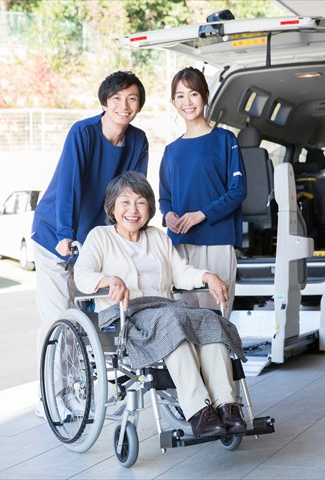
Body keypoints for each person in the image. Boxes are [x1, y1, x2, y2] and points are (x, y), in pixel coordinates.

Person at [74, 171, 247, 437]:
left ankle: (226, 404)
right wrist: (107, 280)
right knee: (174, 323)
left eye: (140, 202)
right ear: (112, 206)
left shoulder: (156, 236)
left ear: (150, 207)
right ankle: (199, 411)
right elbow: (82, 275)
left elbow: (181, 272)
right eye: (125, 202)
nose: (133, 210)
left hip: (165, 309)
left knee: (209, 319)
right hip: (125, 314)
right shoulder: (100, 237)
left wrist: (206, 276)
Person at [31, 71, 148, 413]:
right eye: (116, 100)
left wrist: (128, 235)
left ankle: (81, 389)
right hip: (56, 235)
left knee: (100, 319)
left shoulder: (138, 141)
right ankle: (50, 397)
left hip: (93, 242)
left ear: (138, 105)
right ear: (104, 103)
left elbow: (131, 192)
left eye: (131, 99)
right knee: (59, 319)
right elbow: (69, 185)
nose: (123, 106)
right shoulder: (82, 133)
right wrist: (66, 234)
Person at [159, 67, 247, 318]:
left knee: (215, 318)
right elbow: (165, 197)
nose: (187, 102)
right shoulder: (171, 150)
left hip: (216, 240)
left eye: (193, 94)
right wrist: (168, 215)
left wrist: (201, 214)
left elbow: (238, 190)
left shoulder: (224, 139)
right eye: (179, 96)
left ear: (205, 96)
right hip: (179, 245)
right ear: (173, 101)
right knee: (184, 319)